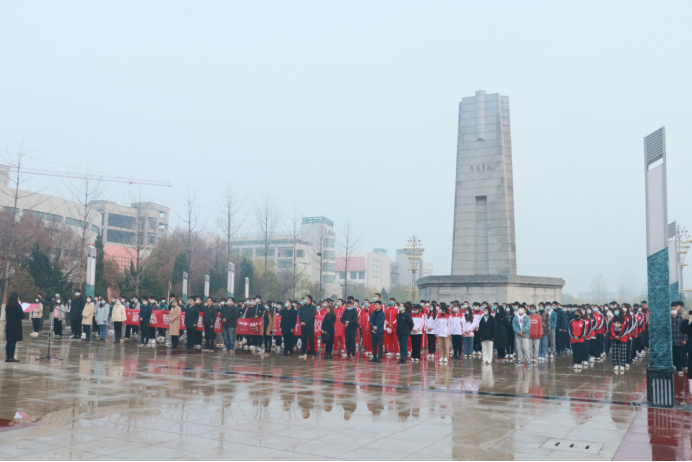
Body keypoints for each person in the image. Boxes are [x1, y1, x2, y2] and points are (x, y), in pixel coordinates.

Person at [4, 293, 23, 362]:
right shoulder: (17, 306)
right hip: (16, 325)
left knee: (8, 341)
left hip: (9, 325)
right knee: (13, 341)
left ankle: (7, 357)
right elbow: (22, 316)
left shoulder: (7, 306)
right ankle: (12, 357)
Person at [609, 305, 628, 374]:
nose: (616, 311)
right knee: (615, 352)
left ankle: (622, 365)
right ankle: (616, 365)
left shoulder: (625, 319)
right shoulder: (612, 319)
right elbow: (610, 328)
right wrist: (614, 335)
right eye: (615, 310)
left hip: (622, 338)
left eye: (617, 310)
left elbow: (625, 329)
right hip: (614, 338)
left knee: (623, 352)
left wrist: (620, 336)